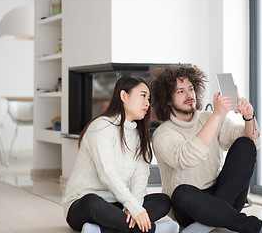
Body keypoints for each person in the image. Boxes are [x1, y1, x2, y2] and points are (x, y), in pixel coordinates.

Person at [149, 65, 262, 233]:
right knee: (181, 193)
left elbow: (253, 143)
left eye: (191, 88)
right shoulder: (162, 134)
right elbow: (188, 158)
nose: (190, 95)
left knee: (244, 144)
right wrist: (217, 115)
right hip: (189, 207)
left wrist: (249, 117)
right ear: (167, 99)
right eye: (181, 91)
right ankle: (255, 226)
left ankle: (205, 224)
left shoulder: (207, 118)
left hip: (223, 197)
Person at [63, 76, 178, 233]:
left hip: (117, 204)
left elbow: (140, 177)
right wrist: (134, 208)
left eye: (149, 98)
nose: (147, 103)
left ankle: (100, 230)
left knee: (163, 201)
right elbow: (107, 172)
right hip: (83, 204)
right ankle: (155, 230)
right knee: (92, 203)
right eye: (143, 95)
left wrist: (134, 207)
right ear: (124, 96)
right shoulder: (101, 127)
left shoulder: (139, 135)